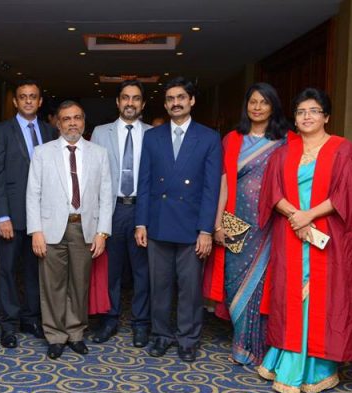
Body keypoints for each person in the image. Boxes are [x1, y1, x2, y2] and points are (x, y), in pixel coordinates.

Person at [256, 88, 352, 393]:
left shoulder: (345, 151)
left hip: (331, 235)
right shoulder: (283, 154)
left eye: (314, 111)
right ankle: (288, 358)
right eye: (301, 112)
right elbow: (272, 192)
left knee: (323, 297)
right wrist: (295, 216)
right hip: (290, 233)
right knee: (291, 295)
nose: (307, 116)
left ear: (326, 117)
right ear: (294, 119)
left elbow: (348, 193)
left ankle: (317, 366)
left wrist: (308, 215)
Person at [202, 82, 291, 365]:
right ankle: (243, 340)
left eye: (264, 102)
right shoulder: (232, 139)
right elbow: (224, 183)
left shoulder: (286, 141)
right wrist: (217, 224)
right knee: (233, 283)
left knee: (263, 286)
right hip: (235, 221)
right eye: (253, 102)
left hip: (269, 223)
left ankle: (252, 347)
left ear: (273, 107)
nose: (257, 107)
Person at [135, 76, 222, 362]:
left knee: (190, 288)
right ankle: (161, 335)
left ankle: (188, 339)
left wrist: (205, 230)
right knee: (159, 286)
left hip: (192, 227)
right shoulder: (152, 136)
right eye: (170, 99)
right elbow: (144, 182)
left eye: (181, 97)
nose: (176, 103)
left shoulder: (209, 138)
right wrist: (141, 223)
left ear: (191, 101)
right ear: (165, 104)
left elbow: (211, 188)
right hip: (158, 223)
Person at [26, 100, 113, 359]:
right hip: (50, 229)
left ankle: (75, 333)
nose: (72, 123)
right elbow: (33, 194)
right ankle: (55, 335)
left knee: (79, 283)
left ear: (84, 122)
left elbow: (106, 196)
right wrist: (36, 231)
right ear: (58, 123)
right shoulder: (42, 153)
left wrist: (102, 232)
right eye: (66, 119)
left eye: (77, 118)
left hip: (84, 228)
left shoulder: (99, 153)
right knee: (52, 285)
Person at [0, 80, 57, 348]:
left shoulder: (51, 131)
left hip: (42, 217)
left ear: (40, 102)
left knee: (35, 271)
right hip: (12, 214)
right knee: (8, 271)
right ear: (15, 102)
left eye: (33, 96)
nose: (28, 101)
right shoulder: (1, 131)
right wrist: (2, 215)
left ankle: (31, 318)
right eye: (23, 97)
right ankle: (8, 324)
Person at [90, 80, 152, 347]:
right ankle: (109, 319)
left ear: (143, 104)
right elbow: (92, 174)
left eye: (136, 98)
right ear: (117, 102)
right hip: (110, 209)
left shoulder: (153, 134)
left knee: (142, 271)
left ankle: (141, 323)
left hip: (142, 209)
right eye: (125, 97)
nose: (130, 103)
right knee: (110, 270)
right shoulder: (99, 132)